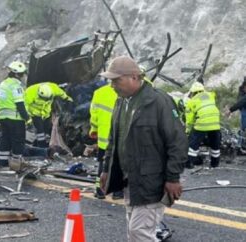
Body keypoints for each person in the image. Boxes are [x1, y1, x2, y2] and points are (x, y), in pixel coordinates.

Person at [99, 56, 188, 241]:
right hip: (130, 182)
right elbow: (113, 141)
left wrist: (173, 178)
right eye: (111, 81)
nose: (112, 85)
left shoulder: (158, 102)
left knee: (139, 232)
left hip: (151, 183)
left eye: (117, 80)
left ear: (134, 77)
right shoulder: (121, 102)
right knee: (136, 233)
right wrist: (106, 170)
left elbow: (177, 141)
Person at [0, 61, 29, 169]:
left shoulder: (3, 83)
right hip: (15, 118)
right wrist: (27, 118)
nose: (23, 76)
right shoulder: (16, 86)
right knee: (18, 140)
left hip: (2, 116)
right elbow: (20, 104)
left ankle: (3, 162)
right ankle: (16, 164)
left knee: (5, 139)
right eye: (23, 74)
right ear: (18, 74)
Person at [89, 82, 118, 199]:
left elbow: (93, 114)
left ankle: (99, 190)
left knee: (101, 164)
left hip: (103, 136)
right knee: (118, 163)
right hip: (118, 136)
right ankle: (117, 191)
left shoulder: (99, 92)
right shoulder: (126, 92)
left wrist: (94, 129)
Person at [24, 82, 73, 147]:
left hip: (46, 113)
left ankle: (43, 143)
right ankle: (41, 147)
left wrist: (68, 99)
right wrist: (28, 119)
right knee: (40, 131)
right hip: (34, 113)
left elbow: (62, 94)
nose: (46, 100)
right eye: (44, 99)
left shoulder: (54, 88)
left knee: (46, 129)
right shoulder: (30, 92)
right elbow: (24, 106)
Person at [185, 82, 221, 169]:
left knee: (193, 143)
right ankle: (214, 164)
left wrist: (188, 130)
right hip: (215, 124)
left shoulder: (191, 101)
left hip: (202, 124)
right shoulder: (210, 96)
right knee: (215, 144)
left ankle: (189, 163)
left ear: (192, 92)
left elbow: (189, 120)